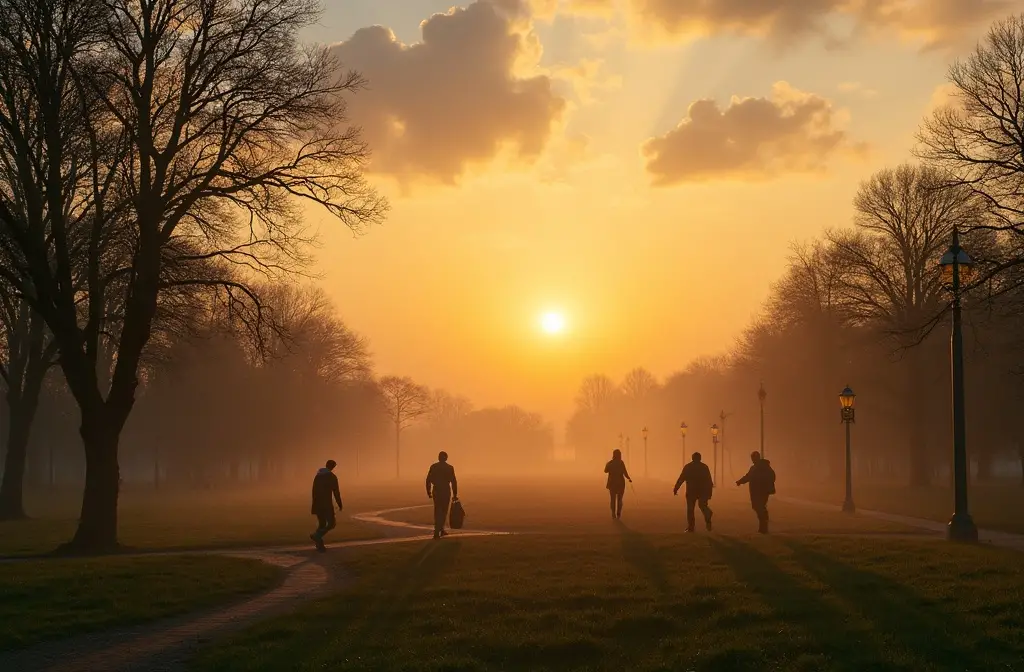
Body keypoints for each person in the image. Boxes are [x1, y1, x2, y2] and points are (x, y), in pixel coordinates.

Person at [736, 451, 776, 534]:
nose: (752, 460)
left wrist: (766, 484)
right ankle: (763, 524)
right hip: (755, 491)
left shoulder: (764, 467)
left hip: (762, 491)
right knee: (757, 507)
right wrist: (740, 481)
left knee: (760, 506)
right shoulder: (754, 467)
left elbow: (772, 476)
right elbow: (748, 476)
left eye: (754, 458)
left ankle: (763, 526)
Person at [673, 452, 714, 532]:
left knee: (690, 509)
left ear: (692, 458)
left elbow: (681, 478)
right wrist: (709, 493)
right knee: (703, 505)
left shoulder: (688, 467)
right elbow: (709, 481)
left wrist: (676, 488)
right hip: (702, 491)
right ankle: (708, 513)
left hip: (691, 491)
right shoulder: (704, 467)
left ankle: (691, 527)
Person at [310, 459, 343, 552]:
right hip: (326, 504)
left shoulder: (318, 476)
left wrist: (314, 503)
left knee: (322, 524)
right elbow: (336, 492)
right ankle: (317, 536)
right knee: (332, 523)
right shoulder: (331, 477)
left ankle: (319, 545)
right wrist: (339, 503)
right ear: (333, 467)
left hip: (317, 503)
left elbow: (314, 491)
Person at [426, 451, 458, 540]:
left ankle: (439, 530)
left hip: (436, 490)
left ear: (439, 458)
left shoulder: (434, 467)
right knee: (444, 511)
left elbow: (428, 480)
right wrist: (455, 493)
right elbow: (453, 481)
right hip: (445, 491)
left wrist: (428, 491)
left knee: (437, 510)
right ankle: (440, 530)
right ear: (446, 458)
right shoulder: (450, 468)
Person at [604, 449, 632, 520]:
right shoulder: (621, 463)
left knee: (612, 499)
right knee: (619, 499)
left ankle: (613, 513)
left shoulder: (610, 463)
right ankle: (618, 513)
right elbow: (625, 472)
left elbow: (605, 471)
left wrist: (607, 463)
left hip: (612, 484)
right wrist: (629, 478)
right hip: (620, 484)